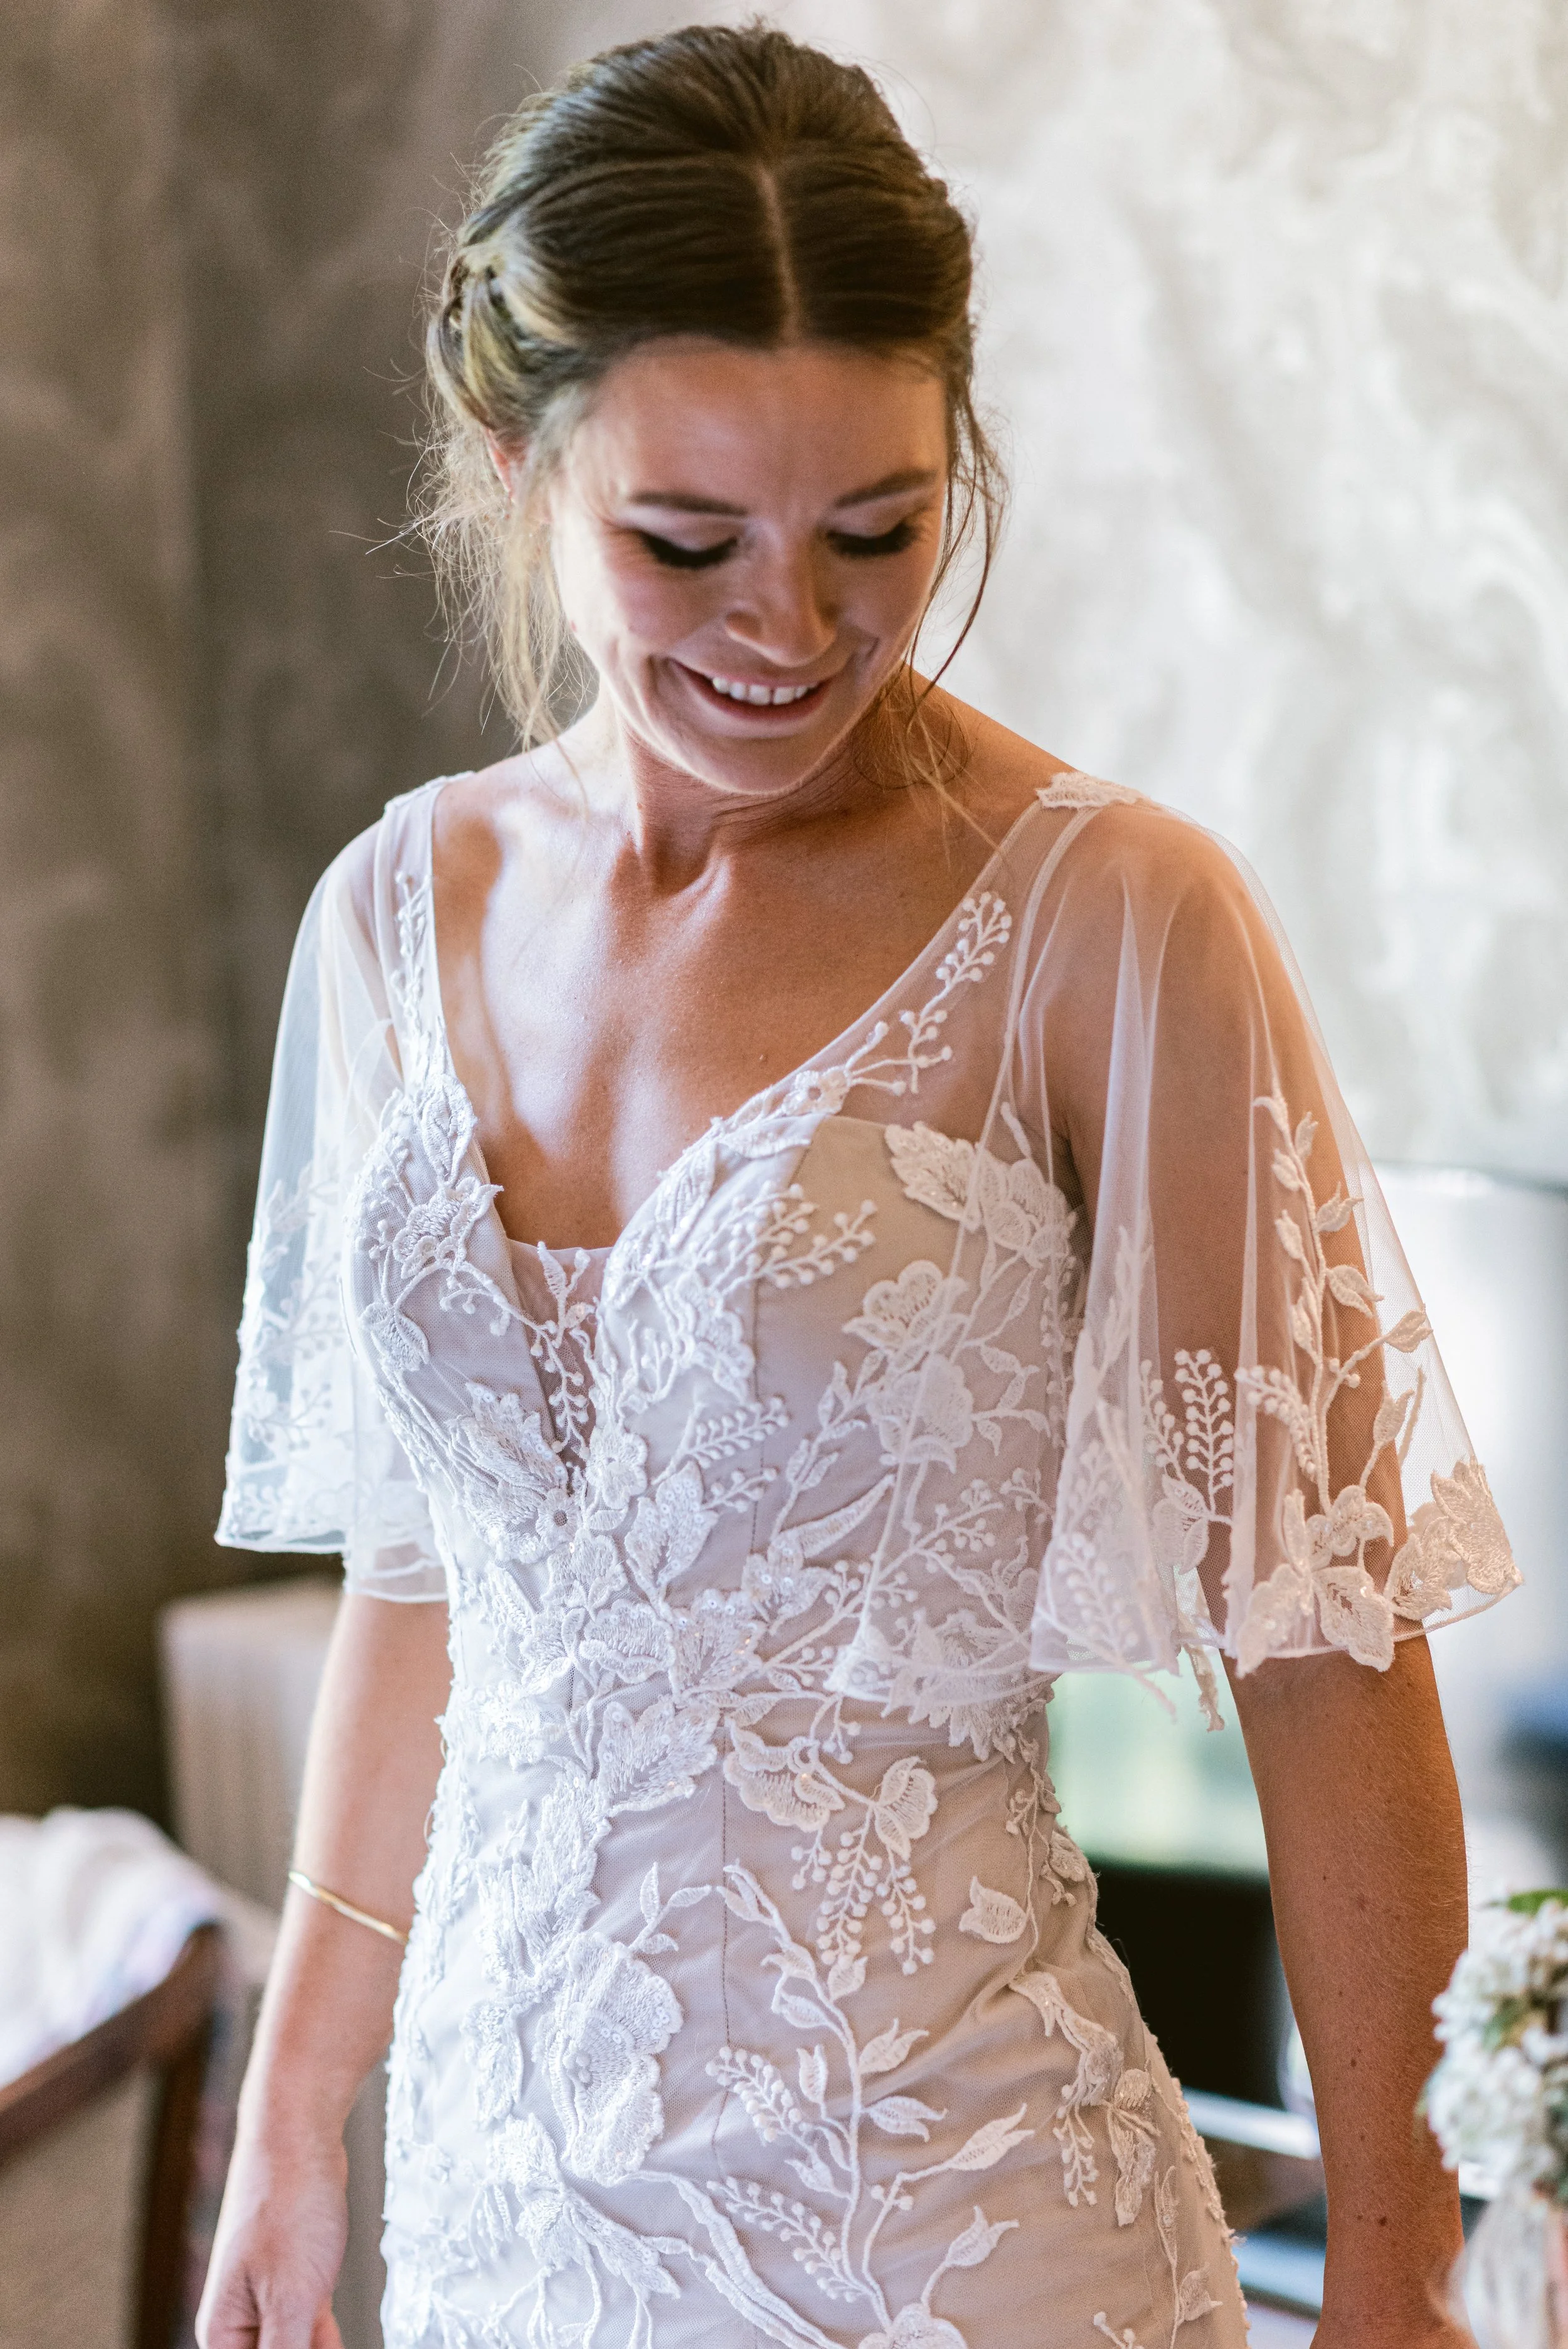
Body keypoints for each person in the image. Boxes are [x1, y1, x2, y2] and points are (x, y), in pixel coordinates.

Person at [199, 25, 1520, 2349]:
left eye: (876, 532)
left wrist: (1404, 2299)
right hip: (503, 2205)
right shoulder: (389, 918)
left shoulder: (1110, 923)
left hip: (955, 2229)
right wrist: (294, 2120)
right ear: (515, 463)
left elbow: (1327, 1658)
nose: (789, 633)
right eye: (685, 542)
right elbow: (430, 1572)